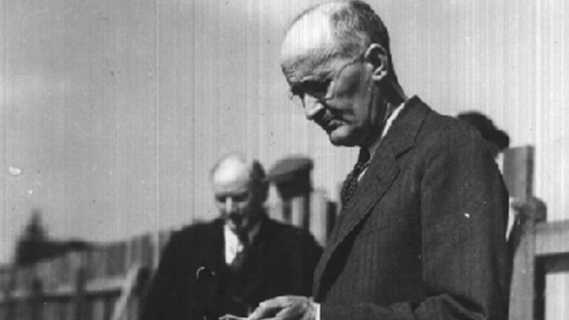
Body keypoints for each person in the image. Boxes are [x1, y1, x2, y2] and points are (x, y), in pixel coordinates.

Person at [249, 1, 510, 320]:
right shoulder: (367, 169)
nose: (310, 110)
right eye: (298, 93)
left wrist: (321, 316)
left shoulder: (448, 147)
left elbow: (469, 313)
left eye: (319, 85)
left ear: (376, 63)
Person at [140, 154, 322, 320]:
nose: (230, 209)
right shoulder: (184, 247)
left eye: (240, 198)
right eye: (221, 199)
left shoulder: (298, 247)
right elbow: (153, 313)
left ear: (263, 192)